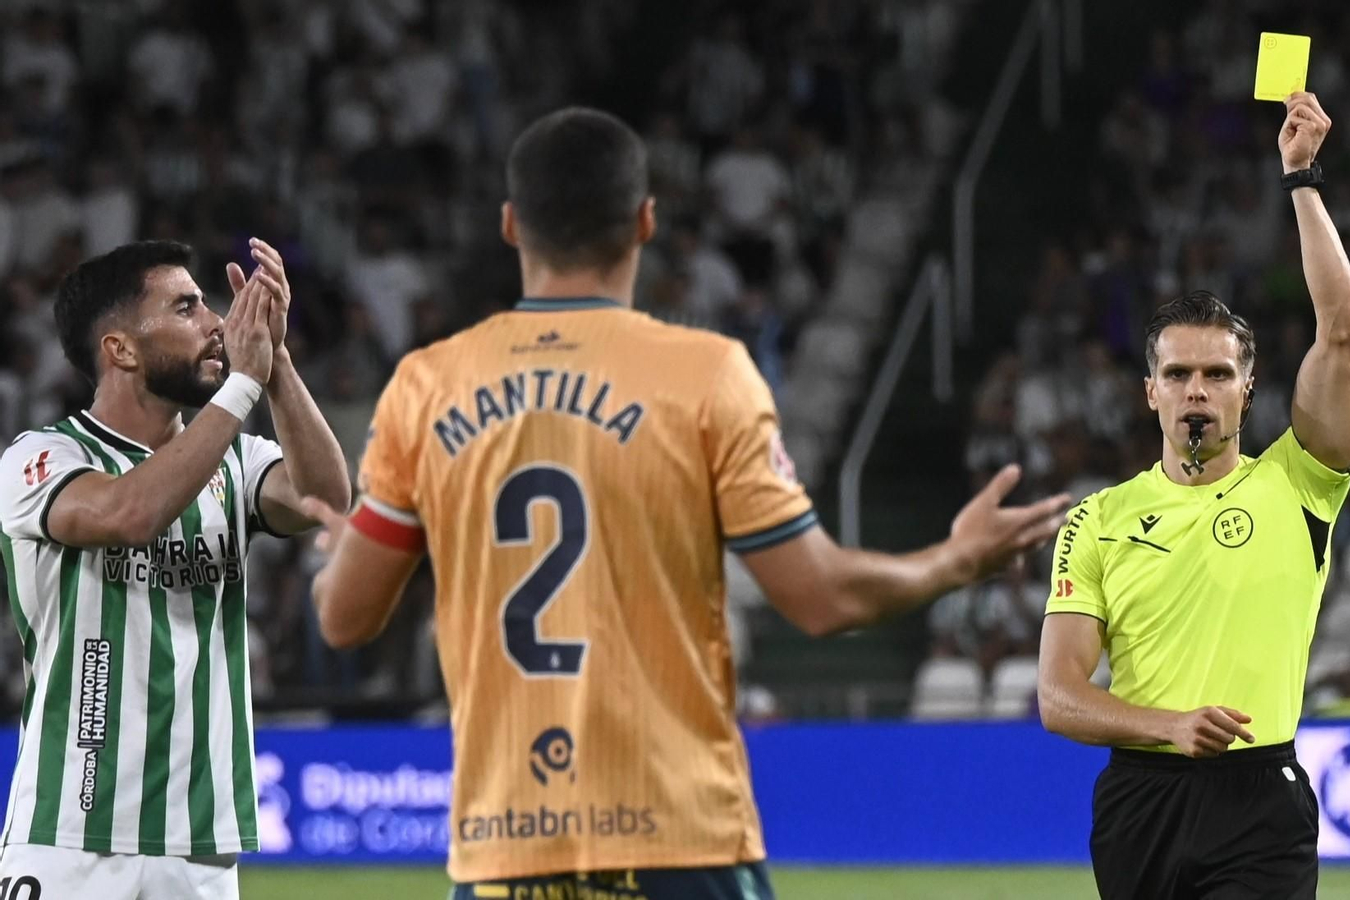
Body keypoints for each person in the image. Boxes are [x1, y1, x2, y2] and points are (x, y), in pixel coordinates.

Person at [300, 107, 1071, 900]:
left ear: (508, 225)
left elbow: (344, 619)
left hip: (506, 853)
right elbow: (819, 598)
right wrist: (953, 561)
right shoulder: (705, 375)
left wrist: (342, 554)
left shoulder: (427, 386)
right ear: (644, 222)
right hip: (676, 839)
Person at [1036, 92, 1350, 900]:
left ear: (1247, 392)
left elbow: (1343, 330)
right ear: (1150, 392)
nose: (1197, 390)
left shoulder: (1300, 481)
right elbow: (1059, 696)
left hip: (1260, 803)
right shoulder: (1098, 518)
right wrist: (1168, 727)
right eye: (1178, 374)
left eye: (1218, 374)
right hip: (1140, 802)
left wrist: (1302, 178)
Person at [0, 239, 350, 898]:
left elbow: (328, 500)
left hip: (199, 847)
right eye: (186, 308)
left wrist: (275, 367)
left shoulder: (237, 464)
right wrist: (242, 384)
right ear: (121, 349)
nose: (218, 323)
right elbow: (129, 513)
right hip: (69, 836)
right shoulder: (40, 459)